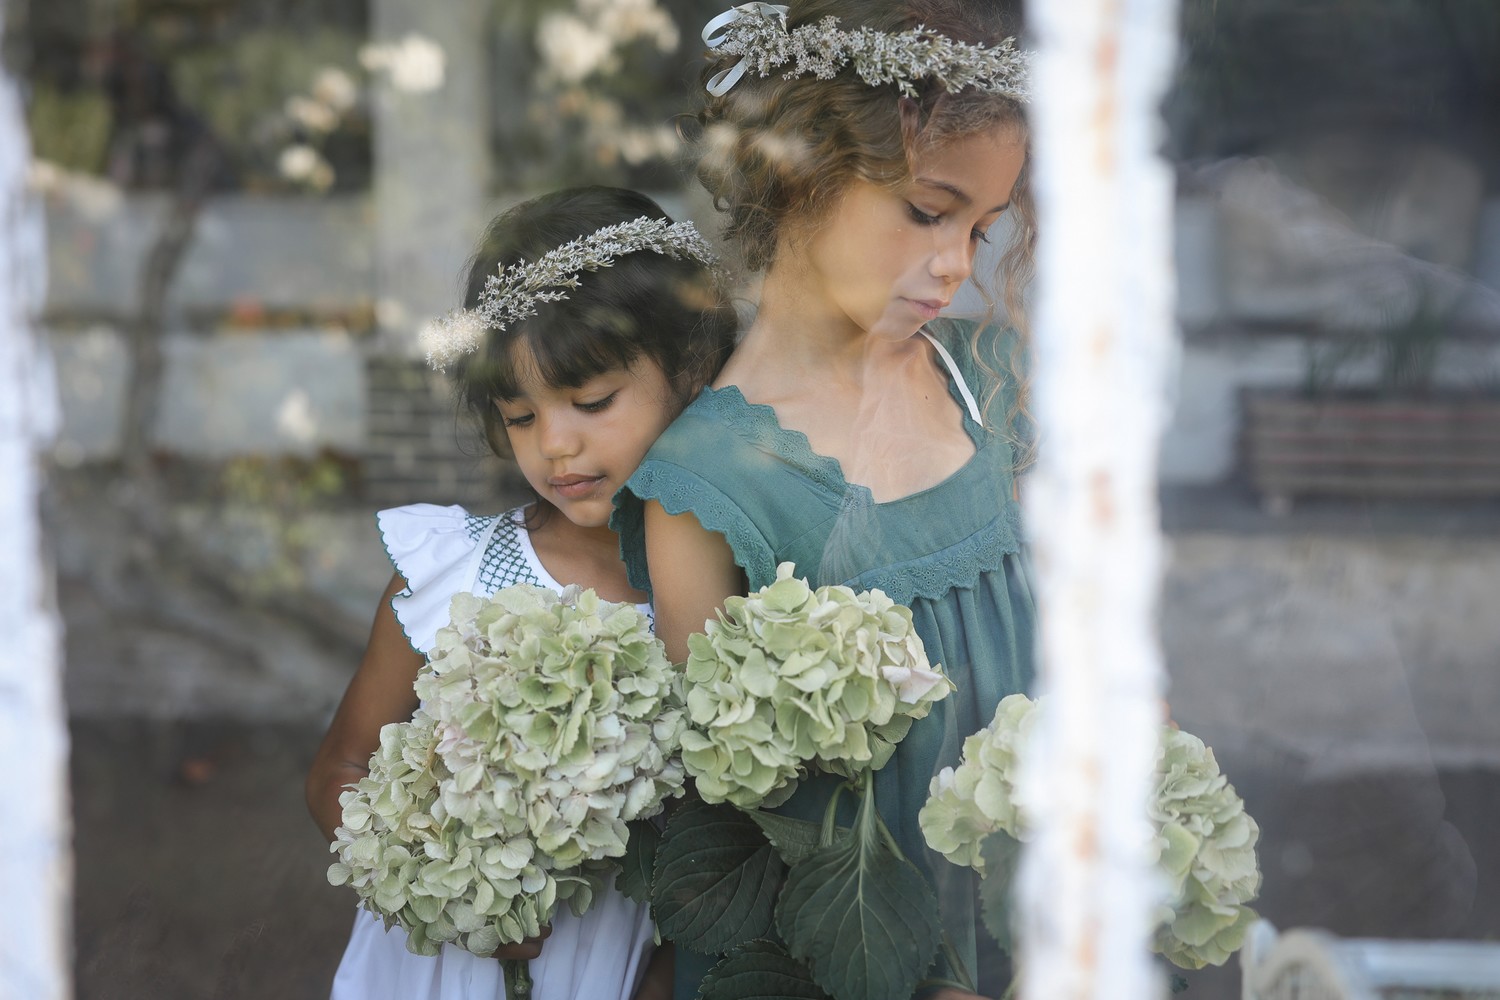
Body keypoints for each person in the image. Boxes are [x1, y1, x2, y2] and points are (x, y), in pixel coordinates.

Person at [610, 2, 1035, 997]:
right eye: (929, 211)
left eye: (983, 227)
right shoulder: (710, 484)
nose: (957, 263)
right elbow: (738, 817)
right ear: (800, 166)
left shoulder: (990, 384)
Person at [305, 186, 738, 1000]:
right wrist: (446, 879)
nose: (557, 445)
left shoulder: (725, 596)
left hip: (610, 968)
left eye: (593, 403)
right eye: (520, 416)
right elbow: (339, 769)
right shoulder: (452, 579)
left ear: (690, 371)